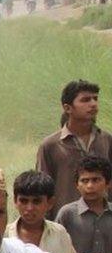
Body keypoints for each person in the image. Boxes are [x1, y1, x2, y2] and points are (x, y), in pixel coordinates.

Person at [36, 80, 112, 218]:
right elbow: (42, 190)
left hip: (104, 222)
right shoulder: (50, 145)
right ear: (68, 108)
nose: (93, 104)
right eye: (85, 100)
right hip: (65, 222)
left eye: (95, 98)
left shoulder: (106, 139)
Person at [55, 156, 112, 253]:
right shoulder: (67, 214)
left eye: (96, 180)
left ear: (108, 183)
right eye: (84, 181)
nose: (90, 186)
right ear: (77, 185)